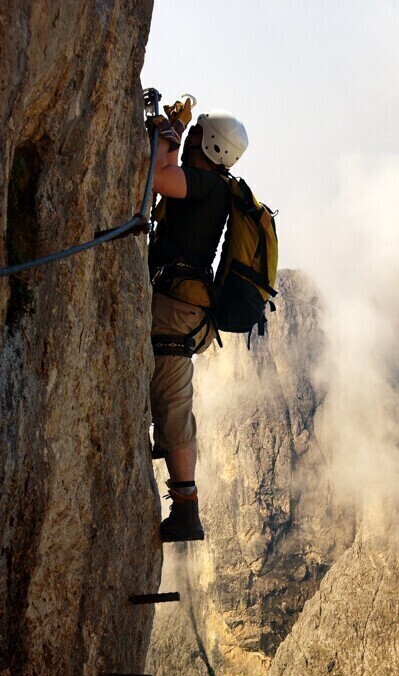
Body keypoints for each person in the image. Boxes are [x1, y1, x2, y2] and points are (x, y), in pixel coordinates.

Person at [147, 99, 249, 541]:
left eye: (196, 132)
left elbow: (157, 179)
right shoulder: (210, 185)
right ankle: (180, 487)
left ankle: (187, 509)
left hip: (176, 312)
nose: (190, 135)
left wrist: (167, 134)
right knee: (169, 397)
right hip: (182, 305)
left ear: (208, 143)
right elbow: (168, 176)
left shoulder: (207, 186)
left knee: (174, 404)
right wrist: (170, 133)